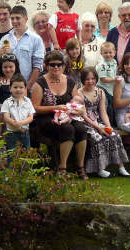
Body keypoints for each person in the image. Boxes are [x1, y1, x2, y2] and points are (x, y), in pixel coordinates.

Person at [30, 51, 89, 179]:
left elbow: (77, 101)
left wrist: (79, 109)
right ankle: (62, 167)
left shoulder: (70, 81)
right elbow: (35, 108)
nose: (56, 67)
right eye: (52, 65)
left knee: (81, 129)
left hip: (67, 116)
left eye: (59, 64)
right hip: (46, 118)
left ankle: (80, 167)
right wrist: (54, 108)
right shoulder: (40, 83)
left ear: (63, 66)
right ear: (46, 66)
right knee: (67, 129)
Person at [78, 68, 130, 178]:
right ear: (83, 80)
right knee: (97, 137)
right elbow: (83, 115)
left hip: (98, 120)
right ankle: (100, 169)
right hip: (85, 123)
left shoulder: (100, 92)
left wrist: (108, 126)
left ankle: (121, 167)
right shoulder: (79, 93)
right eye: (87, 79)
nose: (90, 81)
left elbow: (102, 112)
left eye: (93, 78)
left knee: (113, 135)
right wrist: (98, 128)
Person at [0, 5, 45, 91]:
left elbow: (37, 66)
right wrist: (1, 54)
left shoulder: (36, 39)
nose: (14, 21)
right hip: (6, 88)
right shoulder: (5, 39)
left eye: (18, 18)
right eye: (12, 18)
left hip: (26, 87)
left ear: (26, 19)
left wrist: (28, 87)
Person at [0, 53, 20, 143]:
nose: (8, 69)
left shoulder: (20, 81)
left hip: (16, 114)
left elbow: (23, 99)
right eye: (5, 67)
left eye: (11, 67)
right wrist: (0, 116)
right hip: (0, 112)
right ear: (1, 67)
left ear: (16, 67)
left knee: (12, 138)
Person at [1, 74, 35, 149]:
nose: (18, 89)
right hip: (11, 133)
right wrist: (14, 123)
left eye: (21, 87)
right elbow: (6, 117)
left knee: (25, 153)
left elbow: (31, 117)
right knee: (12, 154)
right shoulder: (7, 102)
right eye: (15, 87)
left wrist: (21, 123)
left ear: (25, 89)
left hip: (24, 132)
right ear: (10, 88)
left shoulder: (28, 101)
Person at [96, 41, 118, 125]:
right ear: (101, 53)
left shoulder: (114, 62)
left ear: (114, 52)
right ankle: (107, 124)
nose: (108, 54)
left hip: (111, 89)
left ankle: (114, 124)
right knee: (106, 107)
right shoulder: (102, 65)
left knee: (113, 106)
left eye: (110, 52)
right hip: (103, 88)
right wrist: (115, 80)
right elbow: (103, 79)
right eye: (105, 52)